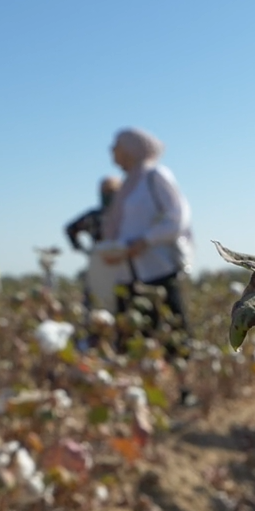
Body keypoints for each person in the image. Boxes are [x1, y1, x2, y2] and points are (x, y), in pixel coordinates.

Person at [96, 128, 193, 351]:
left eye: (116, 145)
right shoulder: (128, 184)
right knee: (131, 343)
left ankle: (184, 385)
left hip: (158, 273)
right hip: (126, 275)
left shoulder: (155, 176)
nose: (112, 151)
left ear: (131, 148)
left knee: (174, 342)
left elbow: (178, 218)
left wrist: (144, 241)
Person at [64, 177, 122, 252]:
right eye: (104, 192)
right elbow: (70, 229)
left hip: (127, 257)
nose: (106, 195)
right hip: (101, 257)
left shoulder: (130, 214)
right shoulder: (93, 217)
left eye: (110, 191)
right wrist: (83, 249)